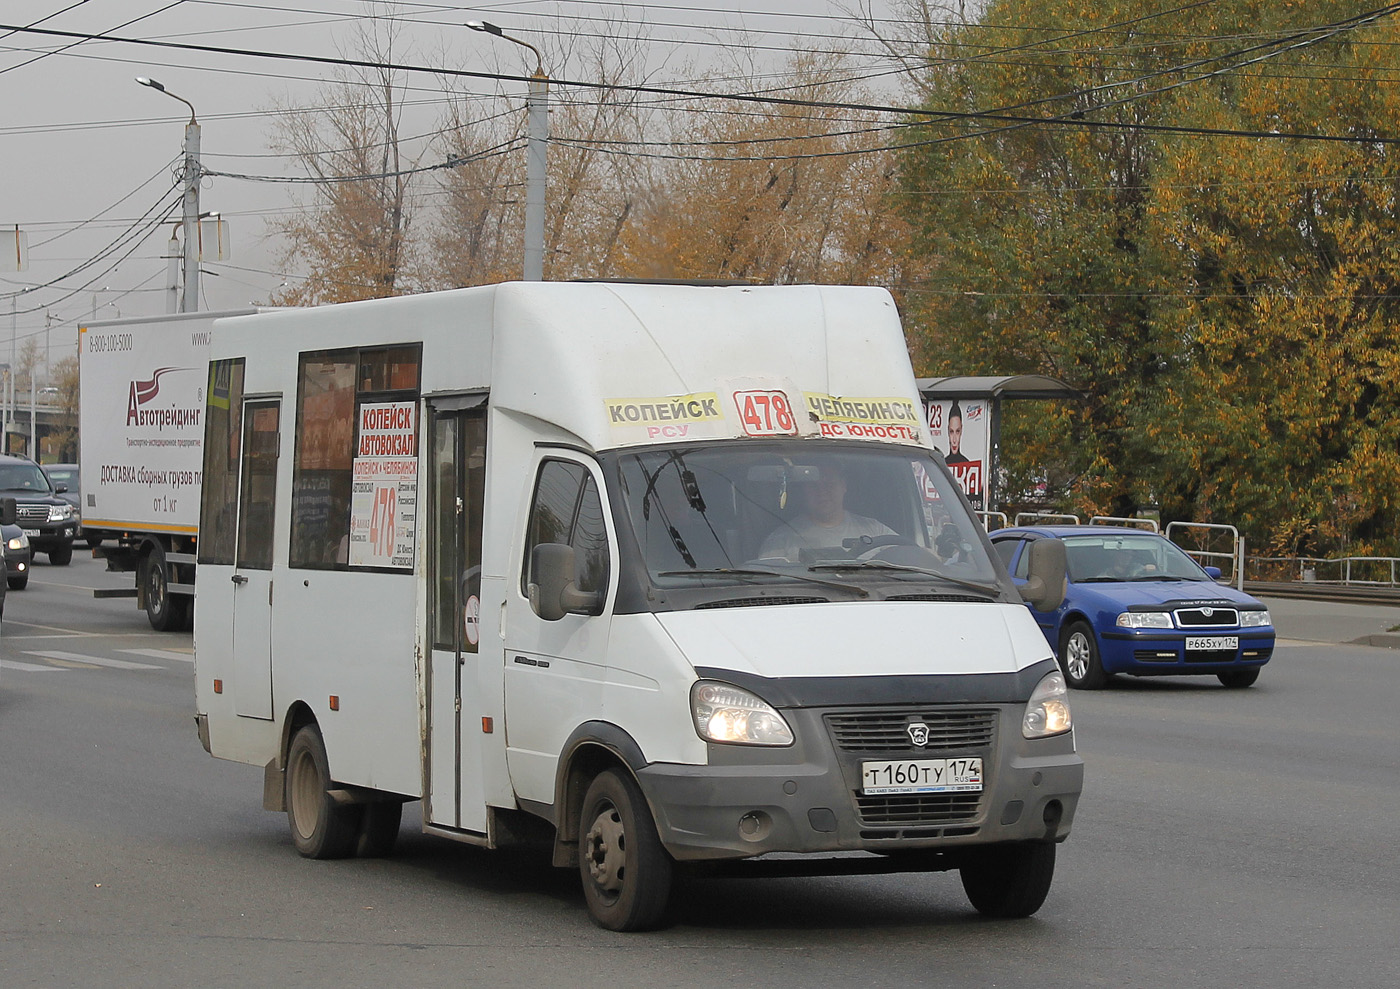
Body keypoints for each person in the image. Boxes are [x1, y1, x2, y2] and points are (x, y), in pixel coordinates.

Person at [757, 459, 893, 562]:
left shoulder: (876, 532)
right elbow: (765, 584)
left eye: (829, 484)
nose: (822, 493)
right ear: (804, 491)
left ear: (843, 486)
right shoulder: (781, 540)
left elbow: (908, 560)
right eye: (813, 486)